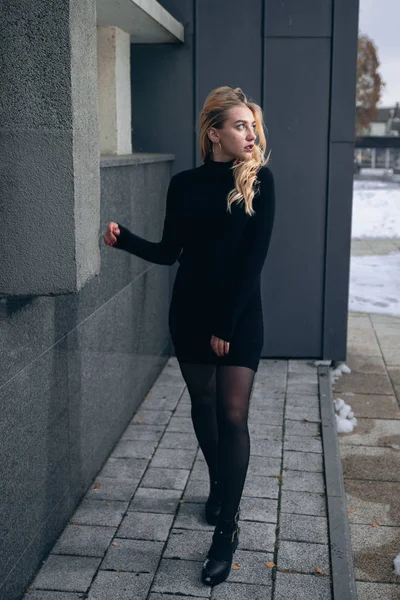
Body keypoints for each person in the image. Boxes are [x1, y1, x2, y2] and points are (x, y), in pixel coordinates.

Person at [103, 86, 276, 587]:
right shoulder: (183, 184)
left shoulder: (259, 181)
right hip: (190, 314)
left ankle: (227, 529)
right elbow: (168, 253)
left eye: (252, 126)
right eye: (240, 125)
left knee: (233, 412)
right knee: (202, 403)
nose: (250, 135)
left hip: (238, 316)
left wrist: (226, 324)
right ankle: (218, 484)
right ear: (214, 132)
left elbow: (253, 261)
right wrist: (125, 240)